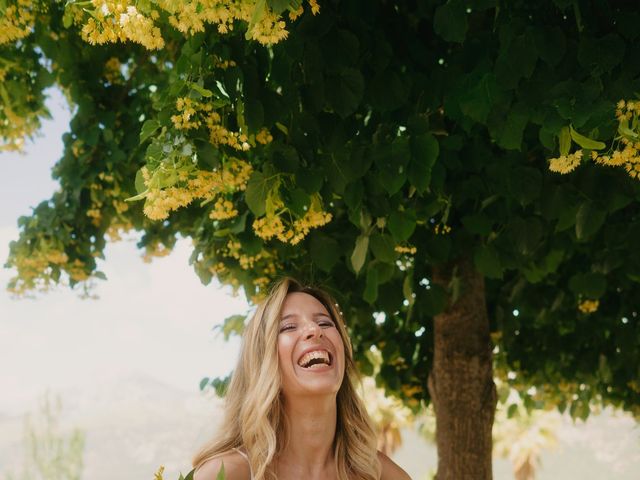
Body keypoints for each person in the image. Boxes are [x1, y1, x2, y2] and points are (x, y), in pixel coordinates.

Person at [192, 277, 412, 480]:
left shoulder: (380, 475)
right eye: (288, 326)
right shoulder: (227, 473)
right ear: (262, 362)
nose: (315, 330)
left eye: (325, 323)